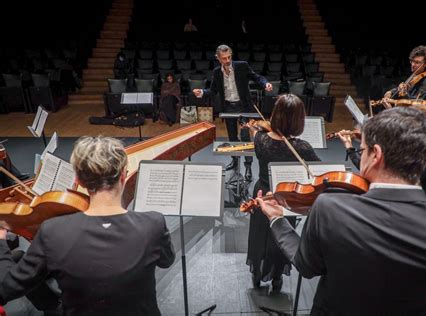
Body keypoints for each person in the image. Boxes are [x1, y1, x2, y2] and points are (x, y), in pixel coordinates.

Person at [256, 107, 426, 315]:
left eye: (363, 150)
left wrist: (277, 219)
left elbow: (306, 266)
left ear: (376, 154)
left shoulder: (329, 208)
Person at [0, 136, 176, 315]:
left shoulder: (52, 232)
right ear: (123, 175)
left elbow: (6, 289)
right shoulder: (154, 224)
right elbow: (166, 261)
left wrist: (1, 244)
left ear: (79, 181)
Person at [244, 94, 320, 292]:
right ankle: (277, 276)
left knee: (260, 235)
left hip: (263, 193)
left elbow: (256, 135)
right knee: (282, 236)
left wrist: (255, 127)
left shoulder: (261, 140)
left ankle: (257, 275)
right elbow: (319, 170)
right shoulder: (302, 147)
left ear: (275, 116)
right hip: (287, 197)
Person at [193, 44, 273, 180]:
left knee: (246, 136)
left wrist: (265, 84)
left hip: (244, 106)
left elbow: (256, 77)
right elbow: (213, 91)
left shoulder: (242, 66)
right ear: (218, 58)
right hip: (228, 107)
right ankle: (235, 161)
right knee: (232, 137)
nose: (227, 60)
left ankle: (248, 167)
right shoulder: (217, 72)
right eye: (224, 58)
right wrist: (201, 92)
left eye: (229, 57)